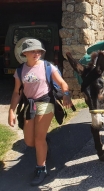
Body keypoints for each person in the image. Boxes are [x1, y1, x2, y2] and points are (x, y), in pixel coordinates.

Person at [7, 39, 73, 186]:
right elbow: (17, 92)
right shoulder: (20, 70)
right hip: (30, 105)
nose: (36, 53)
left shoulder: (47, 66)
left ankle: (41, 169)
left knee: (38, 138)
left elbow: (62, 83)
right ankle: (45, 144)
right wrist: (11, 111)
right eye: (32, 51)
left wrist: (66, 94)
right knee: (29, 141)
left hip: (45, 102)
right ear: (25, 53)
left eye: (38, 51)